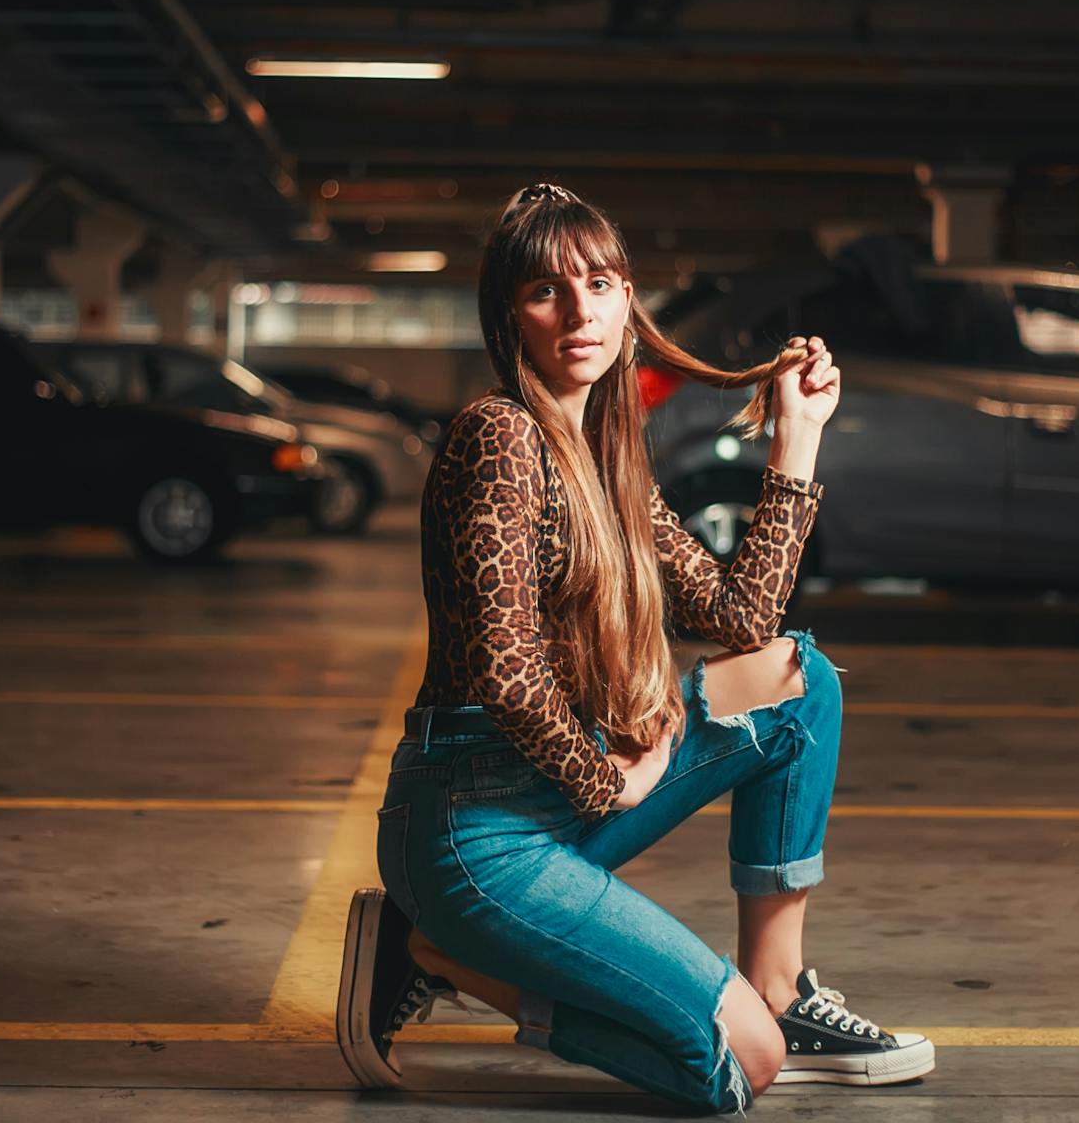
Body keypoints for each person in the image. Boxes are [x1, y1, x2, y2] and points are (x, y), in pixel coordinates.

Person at [335, 182, 935, 1113]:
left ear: (628, 303)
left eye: (602, 284)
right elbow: (502, 668)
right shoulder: (498, 435)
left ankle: (781, 987)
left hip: (561, 797)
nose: (580, 311)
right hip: (475, 828)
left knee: (793, 679)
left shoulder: (610, 460)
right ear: (511, 317)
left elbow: (743, 620)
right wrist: (610, 781)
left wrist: (798, 439)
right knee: (744, 1067)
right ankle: (431, 952)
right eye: (547, 291)